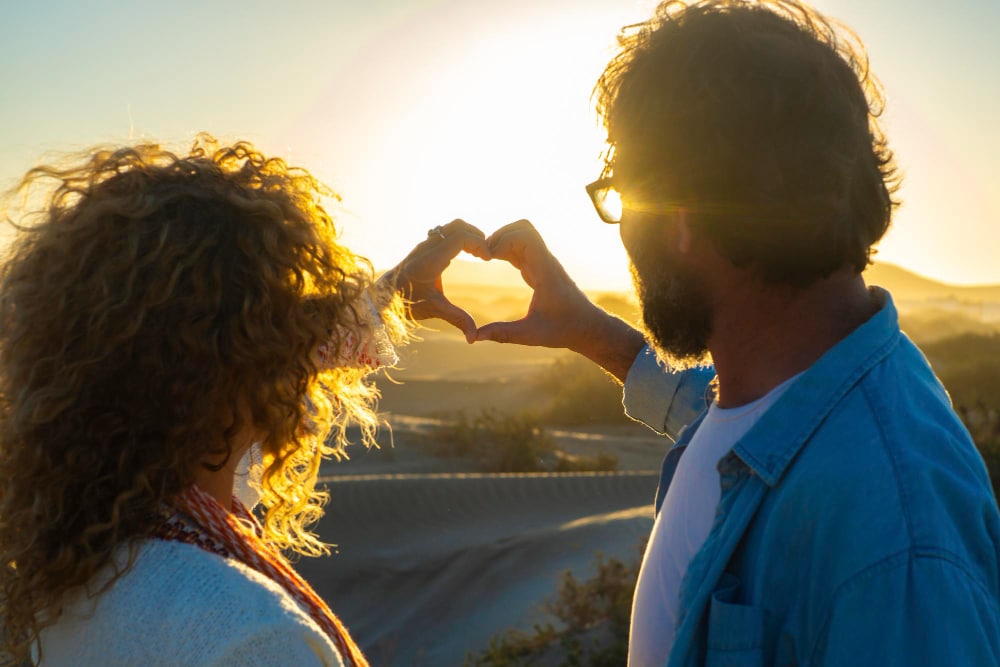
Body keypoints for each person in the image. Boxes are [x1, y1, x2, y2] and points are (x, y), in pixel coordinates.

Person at [474, 1, 1000, 664]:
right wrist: (592, 333)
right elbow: (739, 423)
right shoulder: (794, 387)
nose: (624, 231)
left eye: (622, 193)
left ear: (683, 218)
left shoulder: (893, 549)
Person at [0, 136, 489, 666]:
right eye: (282, 316)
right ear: (217, 371)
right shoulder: (254, 638)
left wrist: (392, 290)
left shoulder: (81, 568)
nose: (300, 346)